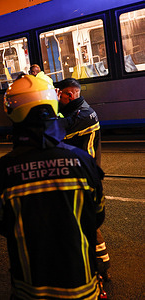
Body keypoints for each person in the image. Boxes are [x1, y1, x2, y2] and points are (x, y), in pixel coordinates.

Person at [0, 75, 105, 299]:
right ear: (52, 103)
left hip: (29, 289)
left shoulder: (2, 171)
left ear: (11, 111)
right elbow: (97, 214)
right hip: (83, 286)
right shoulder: (83, 161)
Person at [57, 77, 110, 281]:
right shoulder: (75, 110)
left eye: (60, 96)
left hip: (85, 178)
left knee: (86, 222)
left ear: (70, 95)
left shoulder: (84, 115)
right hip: (80, 175)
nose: (58, 100)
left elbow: (55, 130)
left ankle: (101, 265)